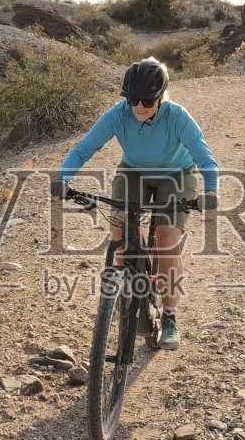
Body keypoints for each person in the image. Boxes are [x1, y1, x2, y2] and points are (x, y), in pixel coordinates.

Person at [51, 57, 219, 350]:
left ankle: (169, 316)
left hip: (177, 175)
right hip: (134, 172)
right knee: (121, 230)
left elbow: (204, 158)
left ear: (161, 96)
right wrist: (63, 179)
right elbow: (84, 148)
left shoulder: (178, 116)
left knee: (167, 241)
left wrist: (211, 190)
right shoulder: (118, 114)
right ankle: (130, 289)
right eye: (132, 99)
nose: (139, 106)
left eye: (147, 100)